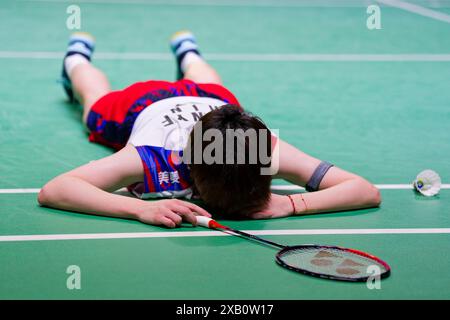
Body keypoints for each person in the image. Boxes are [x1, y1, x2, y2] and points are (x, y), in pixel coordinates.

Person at [38, 31, 381, 228]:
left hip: (215, 106)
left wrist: (293, 205)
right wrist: (138, 208)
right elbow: (55, 189)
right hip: (145, 106)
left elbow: (364, 189)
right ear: (192, 170)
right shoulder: (154, 159)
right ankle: (76, 59)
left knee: (210, 85)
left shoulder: (265, 149)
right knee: (95, 103)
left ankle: (188, 52)